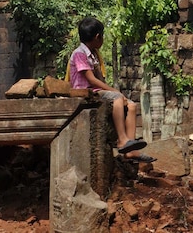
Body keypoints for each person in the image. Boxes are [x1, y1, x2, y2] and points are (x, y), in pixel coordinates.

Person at [66, 16, 155, 163]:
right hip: (84, 91)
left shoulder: (93, 54)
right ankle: (122, 139)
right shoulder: (79, 54)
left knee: (132, 105)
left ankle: (130, 150)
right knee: (118, 98)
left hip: (95, 90)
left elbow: (99, 79)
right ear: (97, 37)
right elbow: (91, 80)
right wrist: (115, 91)